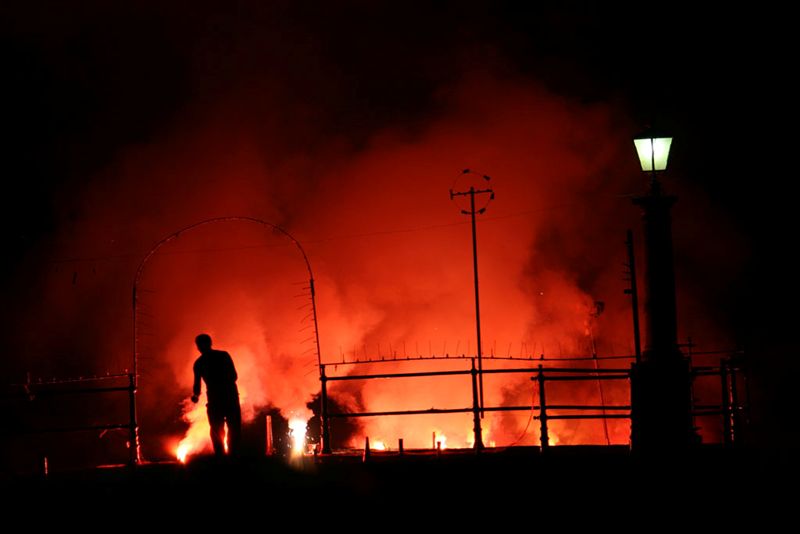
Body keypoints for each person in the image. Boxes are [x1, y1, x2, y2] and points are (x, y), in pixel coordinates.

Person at [191, 333, 242, 456]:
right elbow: (234, 376)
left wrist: (196, 396)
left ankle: (221, 458)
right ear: (210, 343)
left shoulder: (199, 363)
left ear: (198, 346)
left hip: (215, 400)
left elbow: (197, 385)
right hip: (230, 397)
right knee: (234, 428)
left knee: (216, 430)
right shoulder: (223, 356)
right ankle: (233, 456)